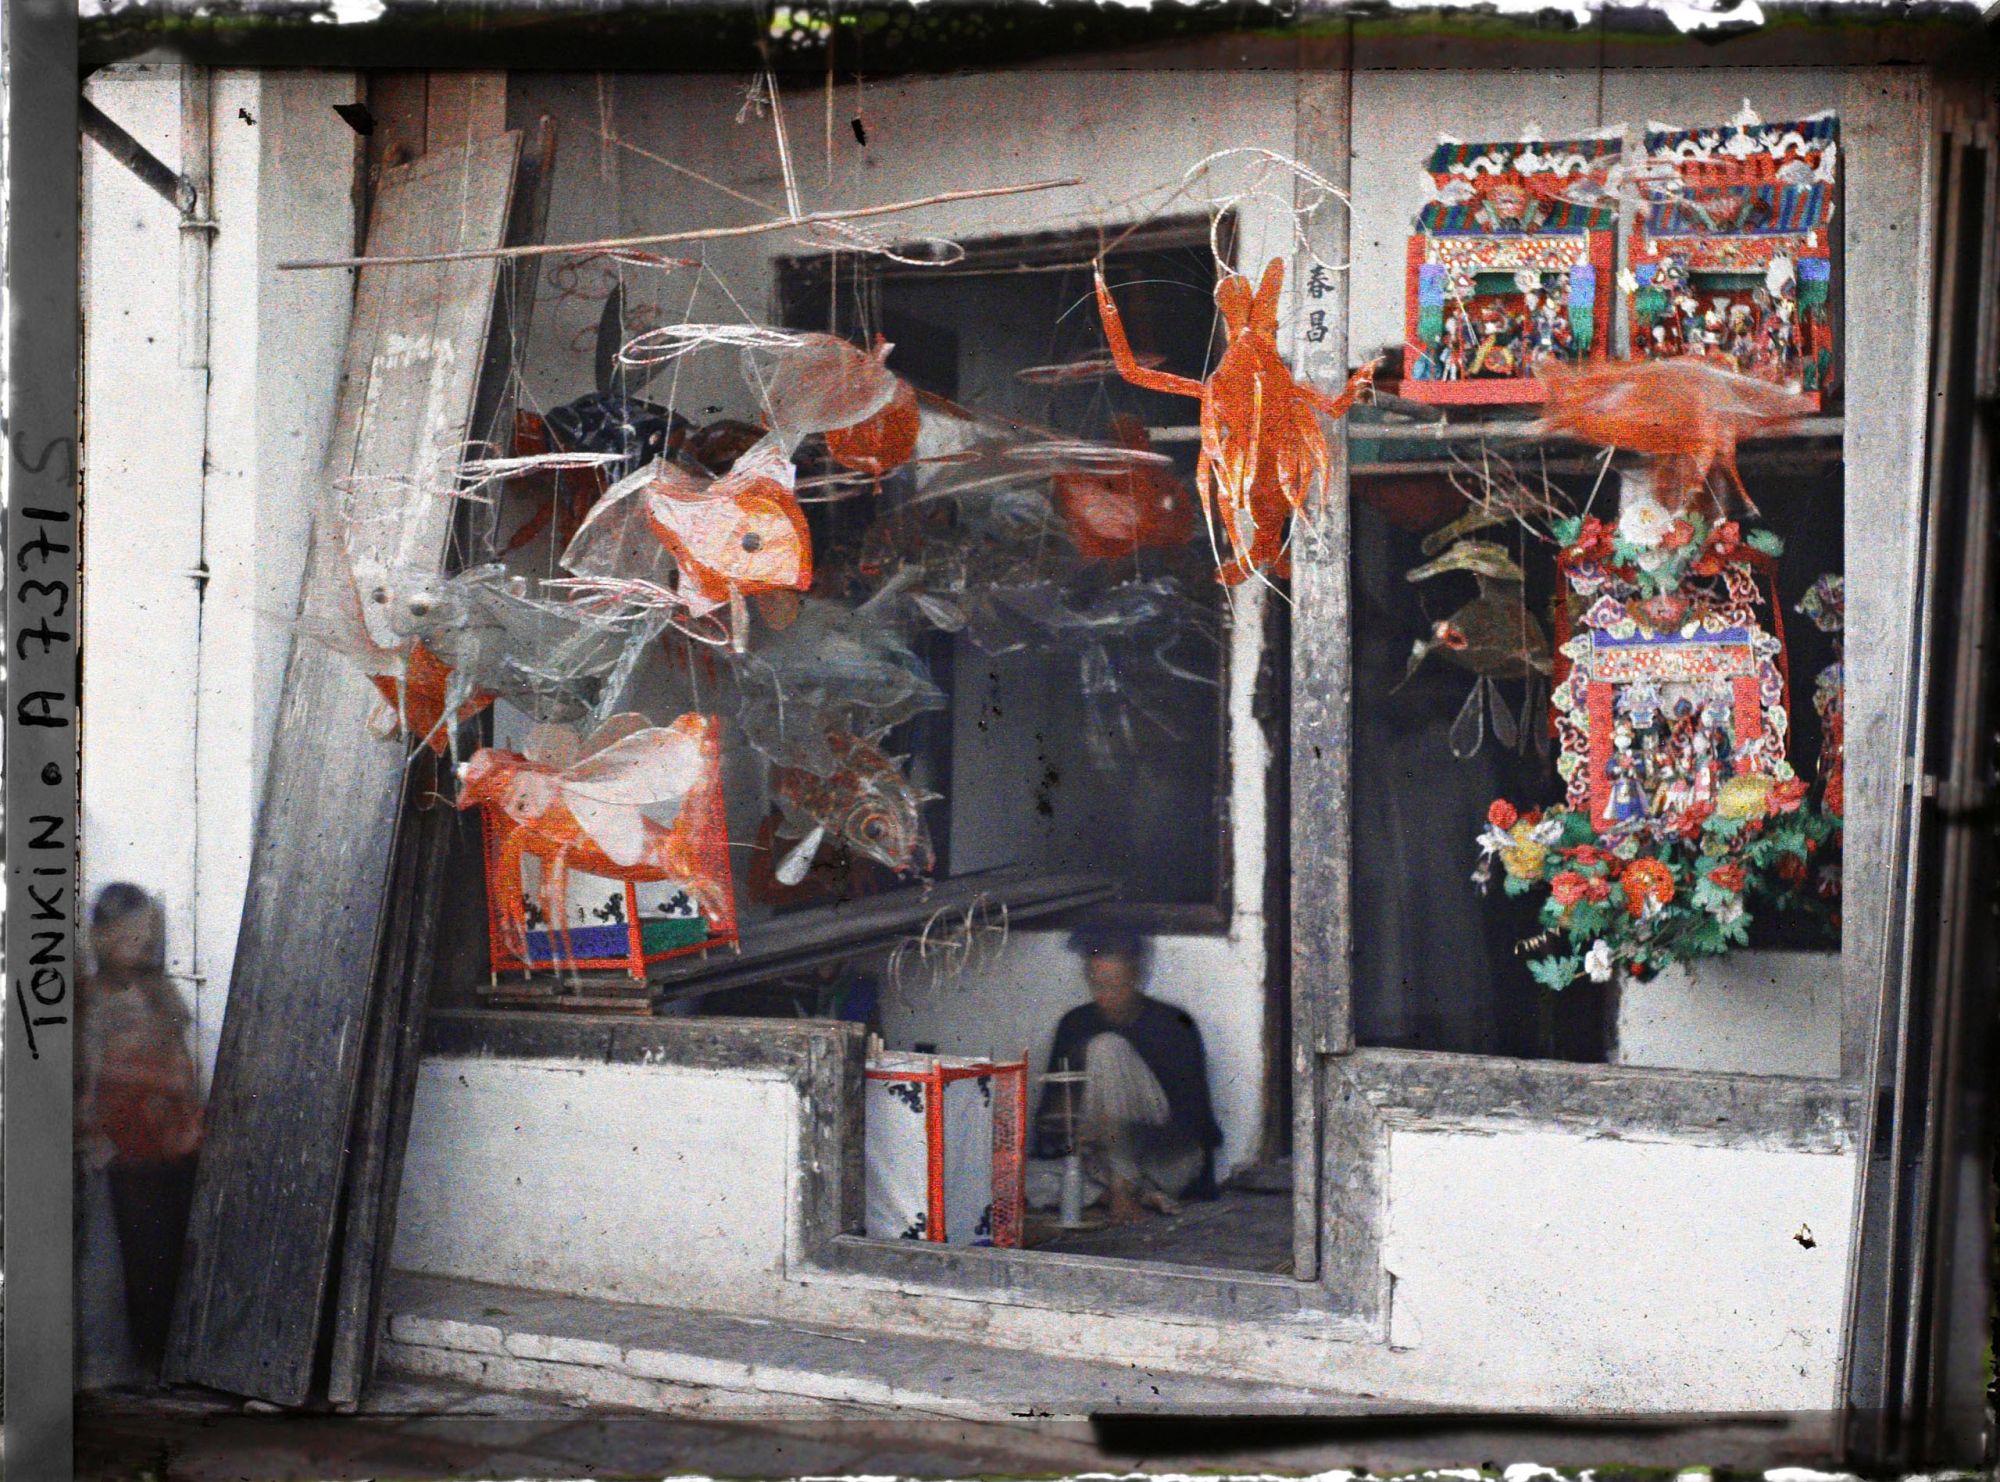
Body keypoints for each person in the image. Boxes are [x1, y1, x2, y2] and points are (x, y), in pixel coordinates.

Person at [76, 883, 205, 1380]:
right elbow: (94, 1073)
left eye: (150, 935)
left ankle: (176, 1356)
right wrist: (155, 1079)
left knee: (175, 1255)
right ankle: (147, 1365)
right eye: (133, 936)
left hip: (170, 1144)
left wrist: (186, 1103)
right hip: (126, 1152)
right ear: (103, 938)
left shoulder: (159, 990)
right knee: (140, 1261)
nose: (146, 945)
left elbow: (180, 1055)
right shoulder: (89, 1000)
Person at [1033, 927, 1222, 1224]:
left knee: (1107, 1048)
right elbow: (1046, 1130)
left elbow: (1196, 1129)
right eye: (1096, 984)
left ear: (1135, 977)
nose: (1103, 995)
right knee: (1023, 1177)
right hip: (1101, 1166)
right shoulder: (1075, 1023)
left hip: (1167, 1163)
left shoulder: (1173, 1024)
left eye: (1113, 984)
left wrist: (1121, 1128)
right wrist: (1070, 1122)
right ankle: (1134, 1195)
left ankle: (1122, 1193)